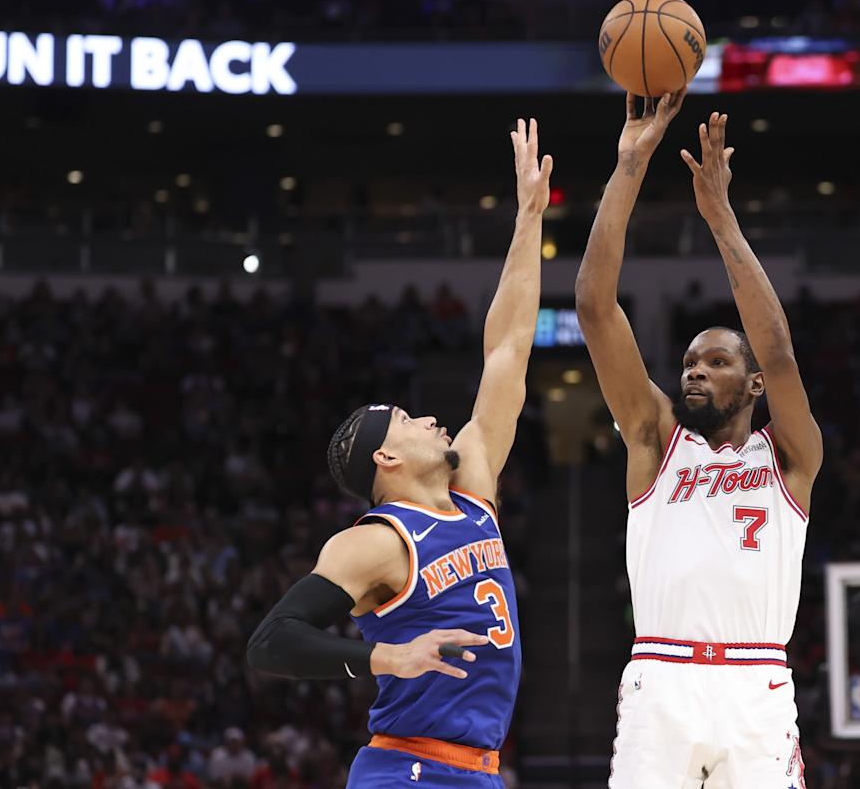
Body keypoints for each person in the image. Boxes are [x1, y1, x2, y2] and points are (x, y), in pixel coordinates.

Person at [247, 118, 553, 788]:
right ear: (384, 460)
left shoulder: (474, 485)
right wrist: (384, 656)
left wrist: (529, 218)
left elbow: (508, 347)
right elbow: (272, 641)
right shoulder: (379, 542)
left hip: (476, 770)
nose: (432, 420)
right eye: (410, 420)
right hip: (407, 769)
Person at [575, 92, 822, 789]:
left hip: (756, 684)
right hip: (661, 677)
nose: (695, 370)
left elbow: (777, 351)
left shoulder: (789, 458)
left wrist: (721, 218)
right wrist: (631, 163)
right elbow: (595, 306)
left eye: (716, 362)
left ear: (751, 388)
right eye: (688, 361)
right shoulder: (654, 442)